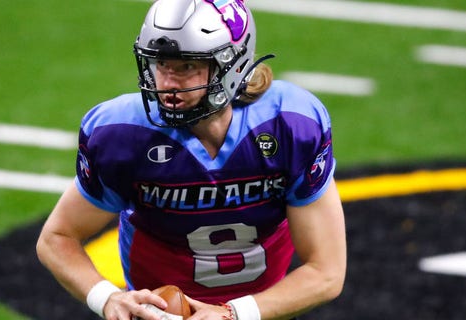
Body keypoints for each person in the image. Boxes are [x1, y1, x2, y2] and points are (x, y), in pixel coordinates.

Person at [36, 0, 347, 319]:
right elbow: (57, 238)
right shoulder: (123, 133)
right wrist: (107, 298)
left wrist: (231, 314)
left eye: (186, 66)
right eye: (160, 64)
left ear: (231, 65)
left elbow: (326, 272)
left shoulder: (289, 125)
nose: (168, 83)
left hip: (263, 311)